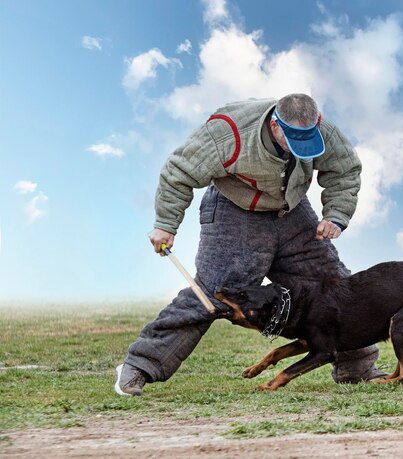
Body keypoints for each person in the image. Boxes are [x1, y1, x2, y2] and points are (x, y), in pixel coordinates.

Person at [115, 93, 385, 396]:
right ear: (275, 124)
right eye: (294, 137)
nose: (303, 145)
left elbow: (345, 170)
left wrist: (336, 215)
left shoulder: (323, 130)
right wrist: (166, 224)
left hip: (292, 211)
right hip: (235, 210)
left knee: (334, 286)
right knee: (217, 293)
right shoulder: (227, 132)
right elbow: (179, 172)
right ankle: (139, 366)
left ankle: (358, 369)